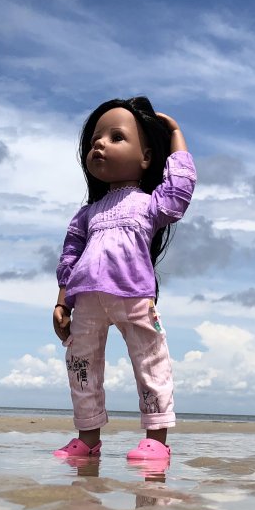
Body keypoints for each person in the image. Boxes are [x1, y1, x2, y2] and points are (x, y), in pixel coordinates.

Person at [52, 96, 195, 464]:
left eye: (116, 137)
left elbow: (179, 191)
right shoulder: (86, 214)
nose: (100, 144)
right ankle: (87, 437)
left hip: (133, 294)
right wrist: (61, 299)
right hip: (85, 299)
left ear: (146, 157)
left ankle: (157, 439)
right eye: (95, 139)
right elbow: (70, 255)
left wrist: (176, 135)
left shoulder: (150, 203)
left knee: (150, 362)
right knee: (81, 367)